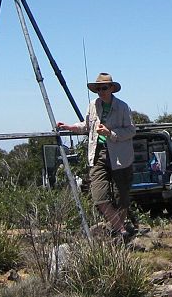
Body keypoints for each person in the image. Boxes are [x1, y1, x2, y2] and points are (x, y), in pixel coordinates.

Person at [57, 73, 136, 236]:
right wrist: (70, 127)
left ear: (112, 88)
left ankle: (120, 233)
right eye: (98, 88)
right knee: (99, 196)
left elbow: (131, 130)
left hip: (120, 156)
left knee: (122, 197)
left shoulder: (123, 107)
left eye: (104, 88)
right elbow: (86, 126)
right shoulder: (92, 105)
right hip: (97, 153)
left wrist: (110, 133)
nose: (101, 91)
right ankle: (120, 229)